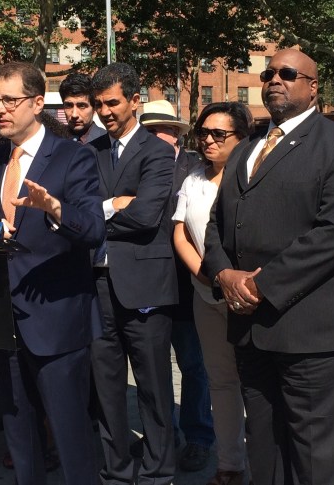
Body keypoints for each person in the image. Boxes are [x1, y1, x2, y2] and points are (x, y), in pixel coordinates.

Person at [202, 48, 334, 485]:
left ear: (313, 87)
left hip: (312, 335)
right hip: (251, 334)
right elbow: (216, 225)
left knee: (315, 461)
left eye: (288, 73)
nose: (275, 78)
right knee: (265, 453)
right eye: (269, 72)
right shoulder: (244, 150)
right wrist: (224, 275)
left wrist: (260, 286)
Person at [0, 61, 105, 485]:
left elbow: (92, 229)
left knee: (70, 437)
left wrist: (55, 211)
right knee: (19, 437)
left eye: (9, 100)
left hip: (58, 319)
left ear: (36, 103)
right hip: (5, 321)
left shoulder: (73, 156)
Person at [88, 63, 177, 485]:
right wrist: (111, 205)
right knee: (107, 390)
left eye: (112, 102)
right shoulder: (91, 151)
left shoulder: (158, 151)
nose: (104, 111)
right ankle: (116, 472)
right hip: (98, 286)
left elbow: (144, 216)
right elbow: (80, 212)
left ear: (134, 101)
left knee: (154, 390)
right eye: (98, 104)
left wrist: (101, 211)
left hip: (145, 288)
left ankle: (159, 473)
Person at [172, 102, 254, 485]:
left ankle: (267, 462)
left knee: (259, 386)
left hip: (253, 300)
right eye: (202, 133)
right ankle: (230, 466)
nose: (207, 140)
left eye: (218, 134)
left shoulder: (256, 179)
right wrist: (208, 279)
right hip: (205, 297)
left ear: (242, 138)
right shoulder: (193, 179)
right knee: (220, 383)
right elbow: (181, 234)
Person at [140, 99, 215, 472]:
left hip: (187, 288)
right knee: (152, 370)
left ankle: (199, 437)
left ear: (177, 134)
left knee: (193, 366)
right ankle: (161, 438)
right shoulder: (132, 167)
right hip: (147, 288)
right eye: (149, 129)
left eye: (163, 129)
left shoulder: (196, 170)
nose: (156, 136)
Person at [59, 72, 105, 143]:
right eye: (69, 105)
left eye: (82, 106)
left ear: (94, 108)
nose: (74, 115)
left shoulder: (108, 142)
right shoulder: (53, 140)